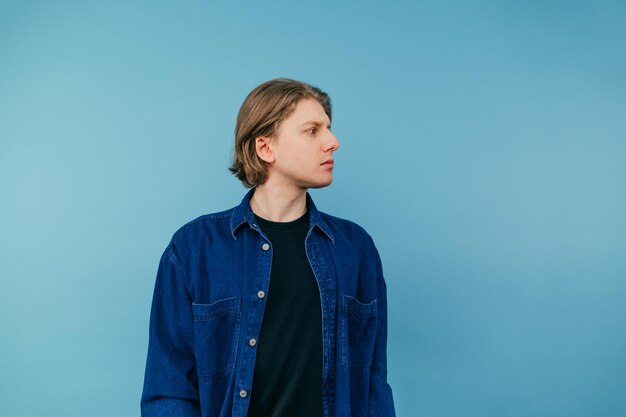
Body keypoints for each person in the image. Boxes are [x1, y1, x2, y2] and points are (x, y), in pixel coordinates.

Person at [141, 78, 396, 417]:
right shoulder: (193, 250)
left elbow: (374, 384)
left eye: (329, 128)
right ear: (265, 148)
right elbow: (169, 390)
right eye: (312, 130)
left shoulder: (356, 249)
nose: (333, 142)